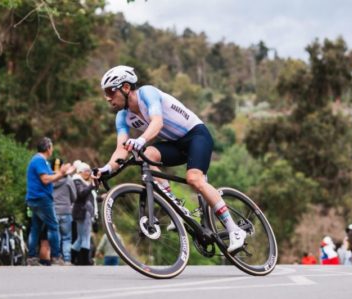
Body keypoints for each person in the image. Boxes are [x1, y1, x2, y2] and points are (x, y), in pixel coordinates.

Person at [95, 65, 246, 252]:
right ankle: (176, 205)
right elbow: (120, 149)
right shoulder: (122, 117)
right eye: (105, 93)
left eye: (111, 91)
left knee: (194, 179)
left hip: (196, 135)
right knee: (147, 156)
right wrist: (106, 169)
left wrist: (141, 140)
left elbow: (157, 122)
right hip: (175, 144)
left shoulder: (147, 93)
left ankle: (235, 230)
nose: (107, 97)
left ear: (126, 87)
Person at [25, 137, 73, 266]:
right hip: (42, 199)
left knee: (35, 227)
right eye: (51, 147)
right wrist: (62, 173)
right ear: (48, 148)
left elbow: (51, 175)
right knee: (53, 226)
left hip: (34, 198)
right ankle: (56, 257)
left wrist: (65, 172)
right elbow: (46, 179)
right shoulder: (40, 161)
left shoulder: (38, 161)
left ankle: (31, 257)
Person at [52, 158, 77, 265]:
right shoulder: (68, 180)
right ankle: (67, 259)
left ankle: (56, 257)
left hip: (53, 210)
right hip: (66, 210)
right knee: (66, 237)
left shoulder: (50, 180)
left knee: (56, 235)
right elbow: (74, 196)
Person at [72, 160, 96, 265]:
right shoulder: (78, 181)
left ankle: (74, 259)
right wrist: (91, 185)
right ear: (80, 172)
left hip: (82, 211)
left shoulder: (81, 181)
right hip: (83, 211)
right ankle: (85, 260)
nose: (89, 173)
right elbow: (81, 194)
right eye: (87, 171)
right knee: (85, 237)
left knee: (80, 238)